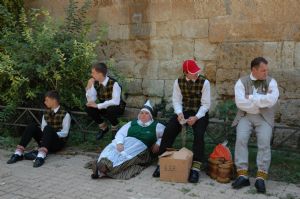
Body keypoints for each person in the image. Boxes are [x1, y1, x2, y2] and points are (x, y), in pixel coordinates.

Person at [152, 59, 211, 183]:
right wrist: (179, 114)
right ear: (185, 72)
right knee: (169, 130)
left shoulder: (205, 82)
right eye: (192, 72)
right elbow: (176, 100)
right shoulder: (178, 82)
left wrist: (196, 117)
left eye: (196, 71)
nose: (196, 73)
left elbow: (206, 104)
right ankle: (162, 163)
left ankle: (195, 168)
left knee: (199, 135)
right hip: (184, 111)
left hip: (199, 112)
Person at [231, 57, 279, 193]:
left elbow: (272, 100)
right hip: (245, 116)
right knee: (240, 139)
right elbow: (240, 103)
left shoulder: (271, 82)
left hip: (265, 118)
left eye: (266, 70)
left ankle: (261, 178)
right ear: (254, 70)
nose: (266, 72)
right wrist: (260, 102)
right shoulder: (241, 82)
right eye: (263, 70)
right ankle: (242, 175)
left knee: (264, 142)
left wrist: (251, 98)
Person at [91, 100, 165, 180]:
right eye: (141, 113)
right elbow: (120, 133)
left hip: (139, 147)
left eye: (146, 113)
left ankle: (103, 168)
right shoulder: (132, 123)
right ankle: (101, 165)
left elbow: (166, 135)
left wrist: (158, 143)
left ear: (151, 116)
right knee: (112, 149)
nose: (143, 115)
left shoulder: (157, 126)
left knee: (125, 157)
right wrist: (119, 143)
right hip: (125, 141)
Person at [7, 90, 71, 167]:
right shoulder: (46, 113)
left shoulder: (65, 114)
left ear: (54, 100)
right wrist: (45, 137)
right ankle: (18, 153)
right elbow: (42, 129)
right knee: (32, 126)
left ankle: (41, 156)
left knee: (48, 128)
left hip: (57, 143)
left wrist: (49, 135)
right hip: (44, 142)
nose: (45, 102)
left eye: (47, 100)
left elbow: (65, 132)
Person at [85, 62, 126, 140]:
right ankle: (103, 127)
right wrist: (88, 87)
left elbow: (115, 101)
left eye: (93, 73)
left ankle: (115, 128)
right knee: (88, 107)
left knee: (110, 109)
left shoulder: (114, 83)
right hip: (104, 107)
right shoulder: (95, 83)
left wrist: (98, 105)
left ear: (100, 74)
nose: (91, 75)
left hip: (117, 107)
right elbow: (92, 99)